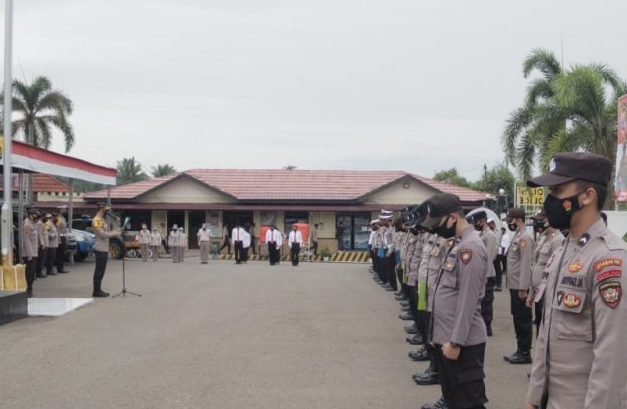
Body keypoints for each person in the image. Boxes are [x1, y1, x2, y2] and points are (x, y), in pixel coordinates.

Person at [524, 153, 627, 409]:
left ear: (588, 195)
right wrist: (534, 399)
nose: (550, 201)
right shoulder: (562, 251)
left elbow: (611, 359)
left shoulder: (609, 259)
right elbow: (545, 337)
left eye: (558, 190)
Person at [420, 193, 488, 409]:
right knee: (452, 399)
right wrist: (435, 335)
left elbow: (468, 301)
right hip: (446, 338)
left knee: (469, 402)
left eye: (438, 222)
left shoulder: (471, 248)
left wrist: (456, 342)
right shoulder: (457, 244)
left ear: (452, 218)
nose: (435, 229)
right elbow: (444, 292)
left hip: (462, 344)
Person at [503, 207, 534, 365]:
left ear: (518, 220)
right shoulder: (517, 235)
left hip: (520, 286)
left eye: (510, 221)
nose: (509, 224)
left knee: (523, 319)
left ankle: (524, 352)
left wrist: (523, 287)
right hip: (514, 284)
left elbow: (526, 264)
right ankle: (520, 349)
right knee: (517, 317)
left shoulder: (525, 238)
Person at [526, 209, 564, 336]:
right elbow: (535, 265)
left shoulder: (558, 240)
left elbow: (555, 269)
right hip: (537, 291)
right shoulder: (543, 238)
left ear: (549, 221)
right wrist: (531, 293)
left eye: (540, 220)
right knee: (538, 326)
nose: (537, 223)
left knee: (544, 328)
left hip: (547, 292)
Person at [471, 211, 498, 336]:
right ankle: (481, 324)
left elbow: (489, 256)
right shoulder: (482, 234)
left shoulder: (490, 236)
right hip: (481, 273)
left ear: (481, 221)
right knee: (480, 301)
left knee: (487, 301)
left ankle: (487, 326)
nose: (475, 224)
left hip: (487, 274)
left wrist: (486, 276)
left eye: (476, 222)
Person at [92, 203, 121, 297]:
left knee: (101, 270)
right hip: (100, 248)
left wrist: (115, 232)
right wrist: (114, 234)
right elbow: (102, 234)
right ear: (102, 209)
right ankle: (96, 291)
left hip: (104, 248)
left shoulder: (102, 219)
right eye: (106, 210)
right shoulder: (97, 220)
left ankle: (98, 290)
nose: (107, 211)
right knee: (99, 271)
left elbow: (106, 232)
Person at [22, 208, 40, 297]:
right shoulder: (27, 225)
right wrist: (30, 254)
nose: (36, 216)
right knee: (29, 273)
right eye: (35, 215)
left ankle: (30, 290)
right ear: (30, 215)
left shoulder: (34, 224)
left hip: (34, 252)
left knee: (32, 273)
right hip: (29, 254)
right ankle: (28, 291)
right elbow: (26, 240)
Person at [489, 219, 503, 291]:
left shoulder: (498, 230)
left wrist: (494, 255)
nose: (489, 225)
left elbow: (497, 244)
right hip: (493, 252)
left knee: (497, 269)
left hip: (497, 253)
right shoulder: (492, 230)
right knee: (494, 269)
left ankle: (499, 285)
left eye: (490, 224)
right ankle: (495, 284)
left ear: (493, 223)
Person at [54, 207, 69, 274]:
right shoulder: (58, 218)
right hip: (59, 237)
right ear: (60, 210)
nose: (65, 211)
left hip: (63, 237)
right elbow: (57, 229)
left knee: (62, 253)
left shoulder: (63, 218)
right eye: (64, 210)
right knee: (59, 254)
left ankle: (61, 267)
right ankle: (60, 268)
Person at [35, 214, 49, 278]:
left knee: (43, 259)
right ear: (42, 216)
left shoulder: (42, 223)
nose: (46, 218)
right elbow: (39, 234)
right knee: (41, 259)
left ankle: (39, 272)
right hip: (42, 245)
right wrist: (42, 244)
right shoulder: (39, 223)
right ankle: (39, 272)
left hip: (45, 244)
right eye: (45, 217)